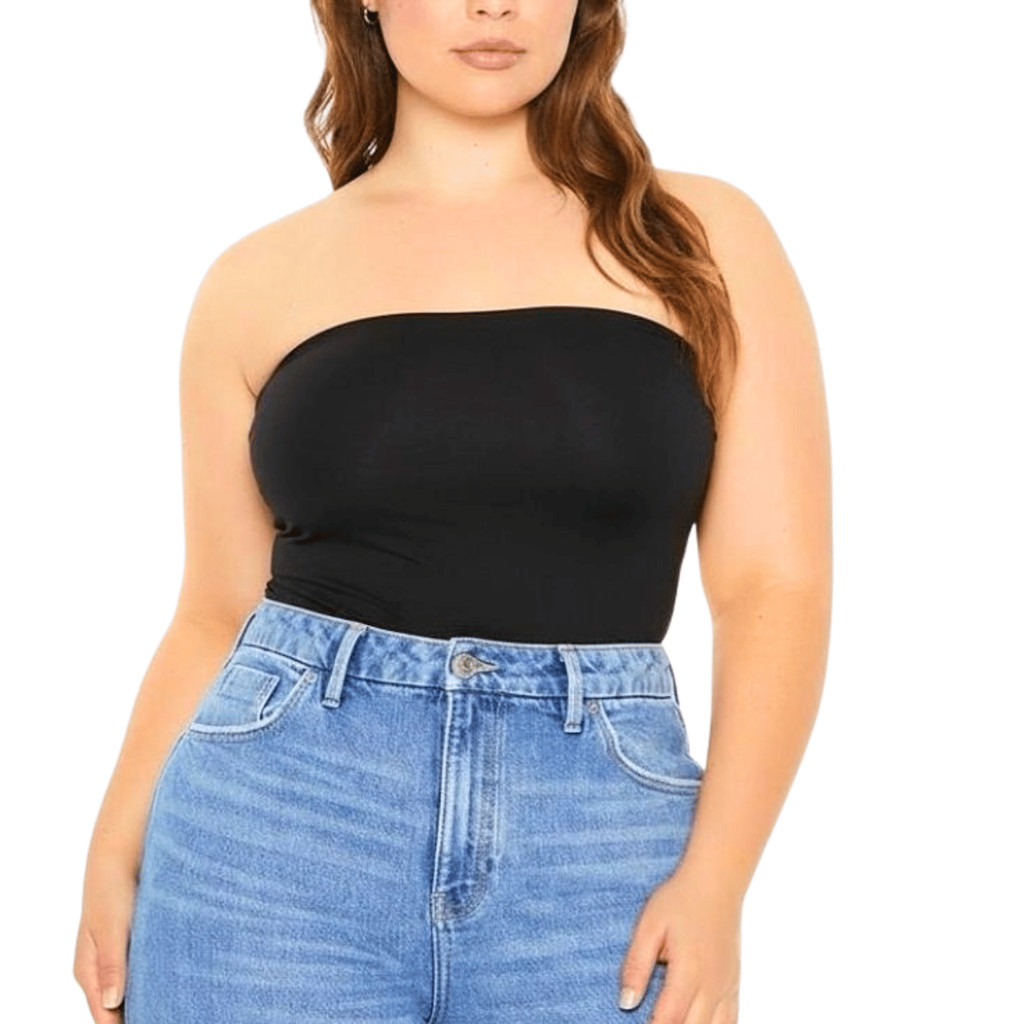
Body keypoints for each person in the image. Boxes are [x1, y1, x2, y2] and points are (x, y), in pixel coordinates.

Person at [73, 2, 832, 1022]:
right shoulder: (257, 278)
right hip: (272, 840)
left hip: (598, 843)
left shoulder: (694, 235)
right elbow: (216, 609)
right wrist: (112, 849)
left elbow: (772, 586)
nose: (494, 5)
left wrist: (719, 881)